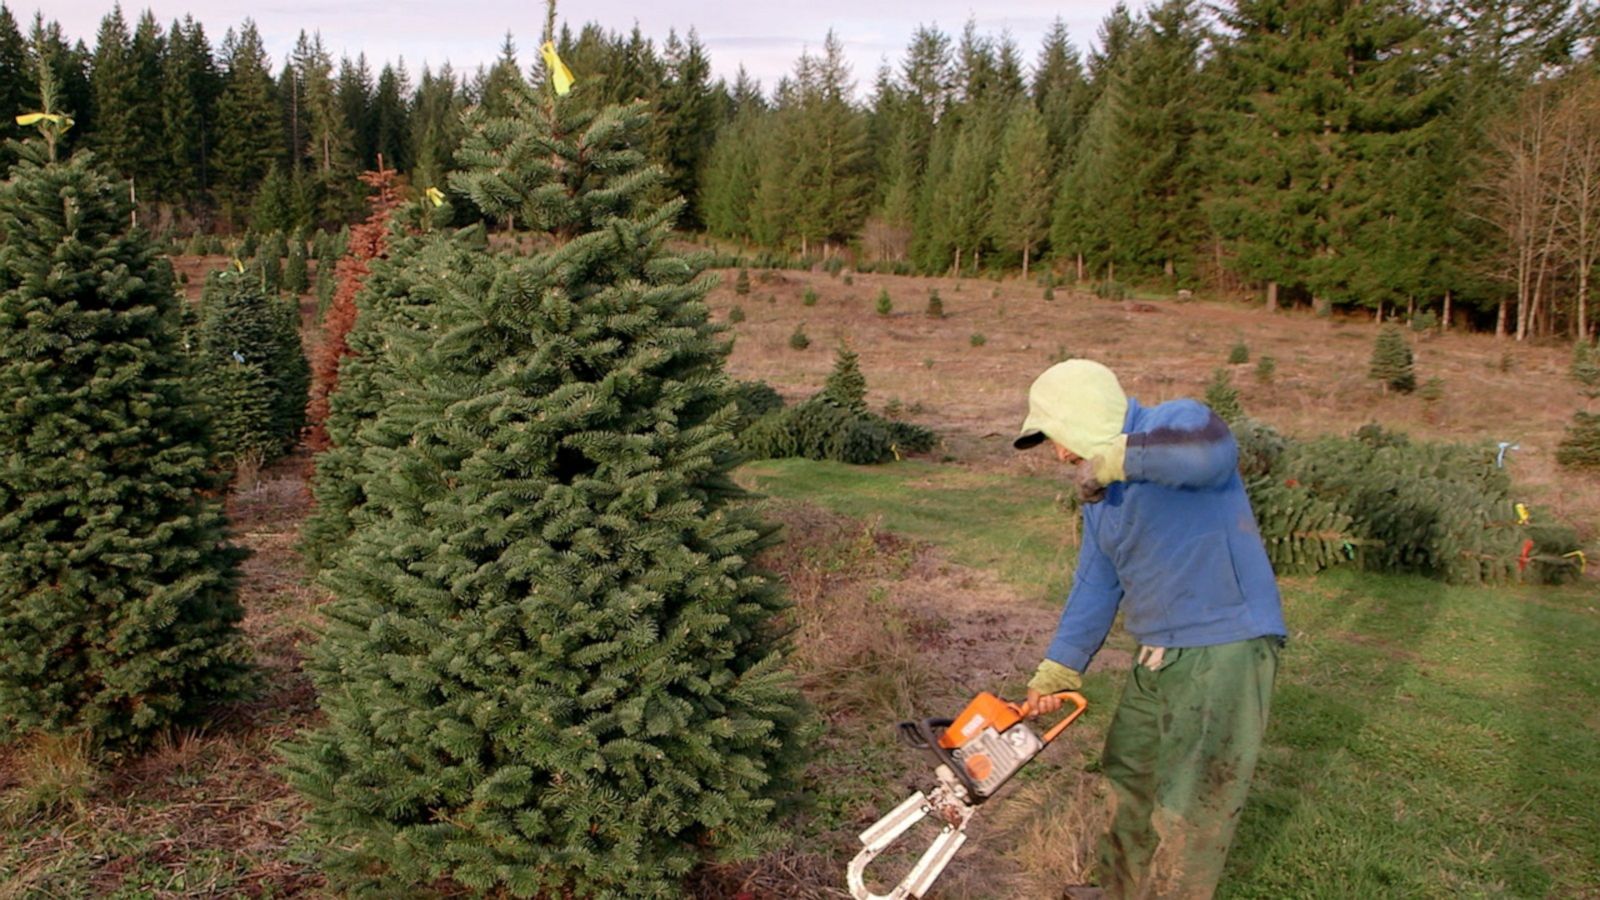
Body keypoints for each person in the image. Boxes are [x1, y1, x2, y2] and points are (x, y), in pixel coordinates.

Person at [1014, 359, 1285, 900]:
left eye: (1060, 437)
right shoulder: (1102, 498)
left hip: (1224, 646)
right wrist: (1056, 669)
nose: (1062, 454)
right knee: (1128, 774)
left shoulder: (1176, 421)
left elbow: (1211, 455)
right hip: (1157, 653)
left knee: (1191, 802)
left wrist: (1118, 458)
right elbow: (1095, 583)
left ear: (1084, 416)